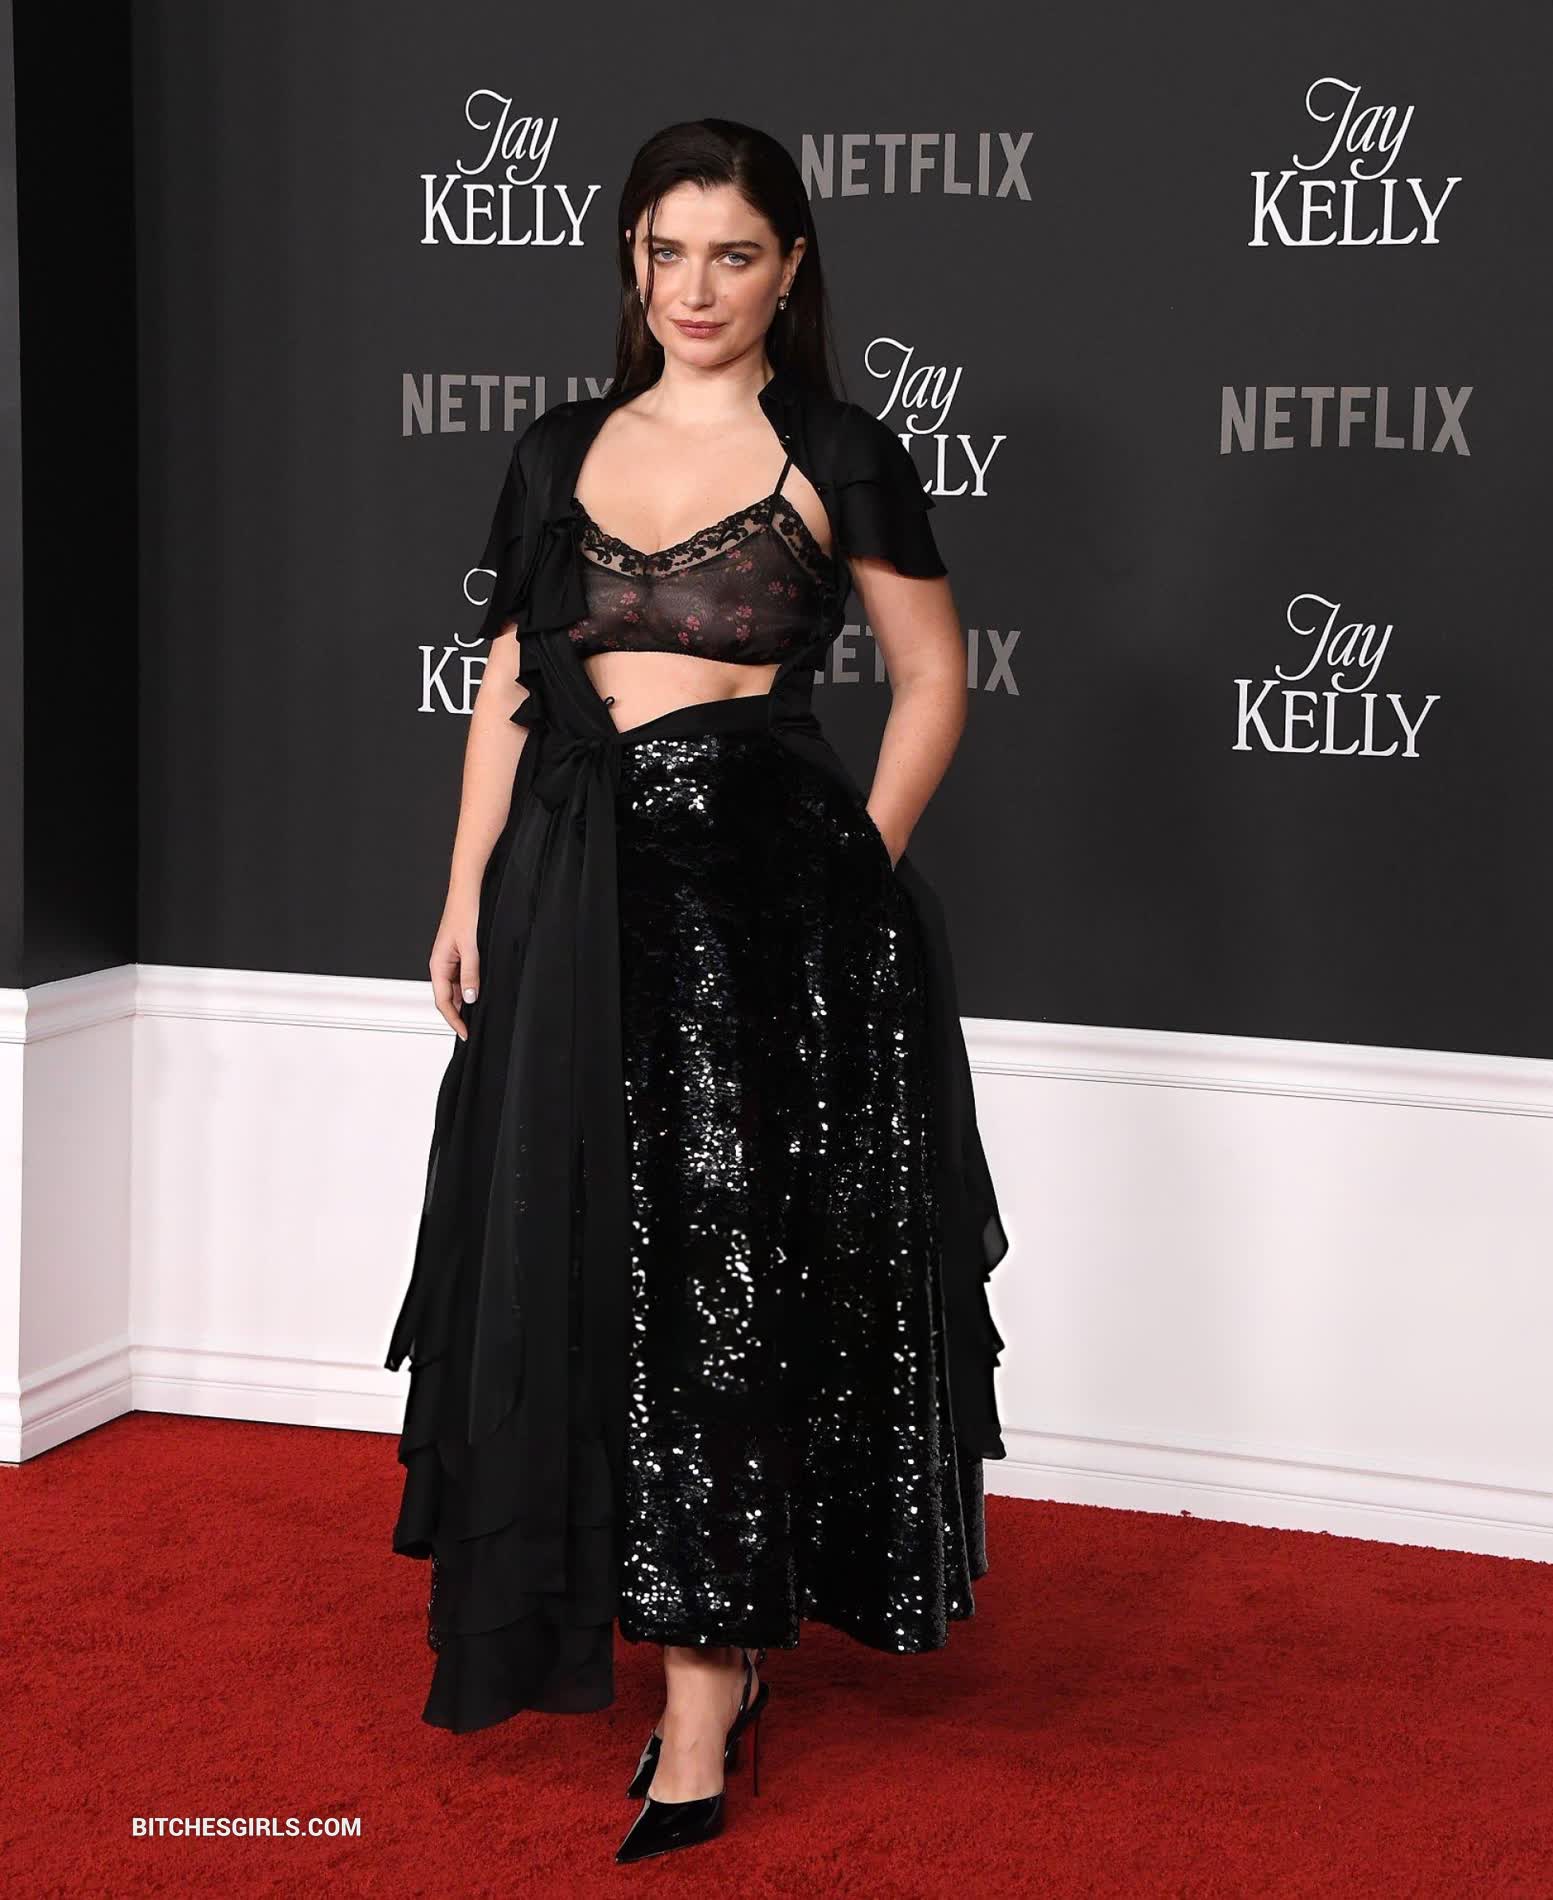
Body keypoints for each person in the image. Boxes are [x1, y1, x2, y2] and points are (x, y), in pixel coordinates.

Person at [384, 116, 1009, 1866]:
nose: (697, 287)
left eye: (734, 253)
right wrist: (464, 895)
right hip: (569, 895)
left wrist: (851, 867)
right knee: (581, 1260)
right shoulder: (556, 447)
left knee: (724, 1283)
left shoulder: (839, 450)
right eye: (667, 252)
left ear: (790, 268)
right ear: (630, 264)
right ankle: (657, 1622)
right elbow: (508, 684)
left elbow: (933, 678)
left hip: (764, 915)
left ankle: (704, 1694)